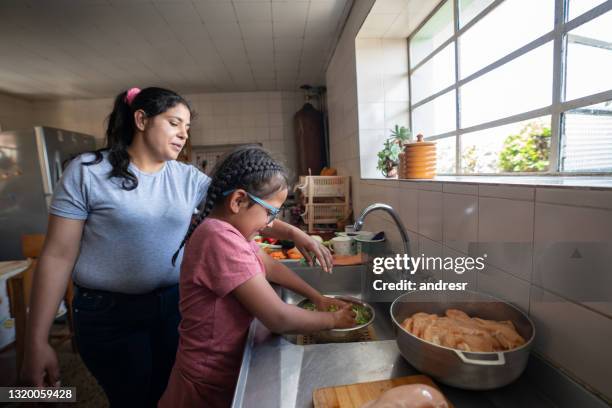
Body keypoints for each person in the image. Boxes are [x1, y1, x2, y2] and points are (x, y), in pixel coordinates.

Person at [20, 87, 333, 407]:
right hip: (110, 314)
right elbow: (57, 256)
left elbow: (243, 206)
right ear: (141, 119)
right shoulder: (87, 172)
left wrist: (296, 234)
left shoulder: (187, 178)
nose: (183, 134)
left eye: (187, 127)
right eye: (174, 123)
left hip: (173, 307)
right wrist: (36, 340)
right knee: (134, 398)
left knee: (170, 392)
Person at [158, 146, 355, 408]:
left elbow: (271, 267)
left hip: (223, 371)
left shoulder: (231, 232)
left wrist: (317, 298)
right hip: (206, 381)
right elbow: (278, 318)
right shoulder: (218, 237)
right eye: (270, 213)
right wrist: (333, 319)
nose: (270, 222)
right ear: (238, 201)